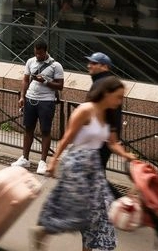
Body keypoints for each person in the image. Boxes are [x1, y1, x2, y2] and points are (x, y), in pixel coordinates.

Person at [29, 76, 137, 251]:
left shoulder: (108, 115)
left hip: (93, 166)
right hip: (77, 164)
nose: (120, 101)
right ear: (106, 93)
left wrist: (127, 155)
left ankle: (50, 233)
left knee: (99, 213)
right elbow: (67, 137)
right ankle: (45, 230)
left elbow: (112, 142)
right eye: (118, 97)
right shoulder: (86, 110)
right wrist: (53, 160)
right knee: (79, 212)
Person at [13, 40, 64, 175]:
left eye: (40, 54)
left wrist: (45, 81)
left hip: (46, 101)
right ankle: (25, 158)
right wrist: (22, 96)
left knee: (45, 131)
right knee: (28, 128)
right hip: (30, 98)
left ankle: (42, 162)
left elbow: (60, 86)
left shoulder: (56, 66)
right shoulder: (30, 62)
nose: (37, 56)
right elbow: (25, 79)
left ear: (45, 51)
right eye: (36, 53)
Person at [86, 52, 124, 172]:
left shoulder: (103, 84)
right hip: (102, 138)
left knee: (96, 175)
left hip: (100, 140)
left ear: (104, 66)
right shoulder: (103, 82)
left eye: (94, 63)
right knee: (96, 175)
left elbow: (110, 113)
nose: (89, 65)